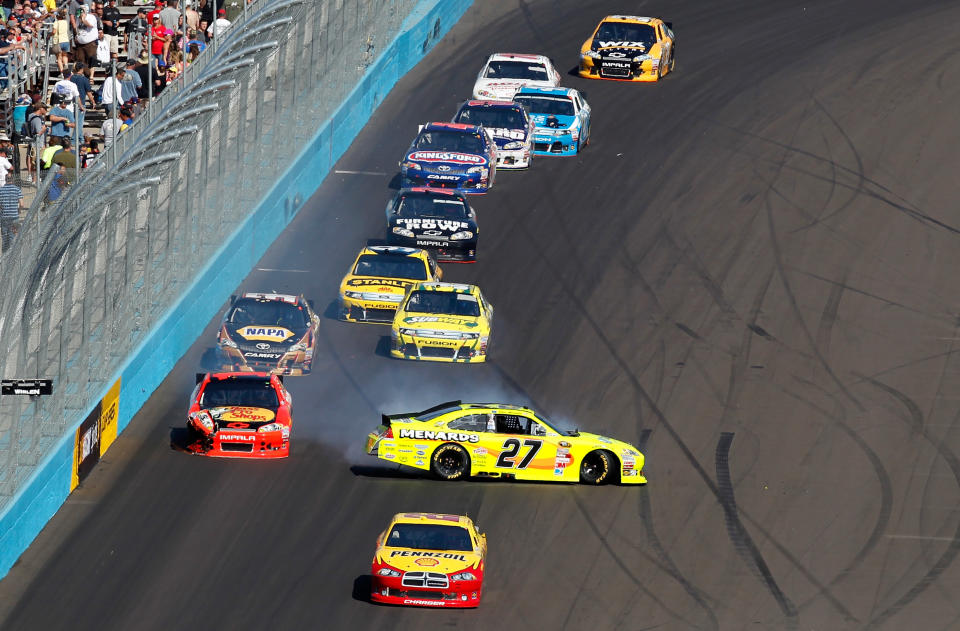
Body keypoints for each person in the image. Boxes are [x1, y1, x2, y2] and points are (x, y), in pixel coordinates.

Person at [73, 6, 99, 78]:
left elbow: (90, 25)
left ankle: (91, 76)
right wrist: (77, 36)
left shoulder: (91, 17)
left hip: (90, 43)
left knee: (91, 60)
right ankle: (84, 75)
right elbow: (77, 28)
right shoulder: (78, 19)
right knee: (80, 60)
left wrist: (83, 19)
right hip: (81, 44)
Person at [0, 175, 24, 253]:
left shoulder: (1, 190)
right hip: (14, 216)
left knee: (4, 236)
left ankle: (4, 254)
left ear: (5, 180)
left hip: (4, 216)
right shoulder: (17, 190)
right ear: (13, 180)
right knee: (13, 235)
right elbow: (22, 204)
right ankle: (12, 253)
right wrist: (19, 210)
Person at [52, 9, 69, 74]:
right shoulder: (65, 22)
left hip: (59, 41)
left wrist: (49, 35)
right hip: (66, 41)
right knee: (64, 55)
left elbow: (54, 32)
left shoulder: (56, 22)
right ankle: (66, 66)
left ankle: (62, 73)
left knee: (59, 58)